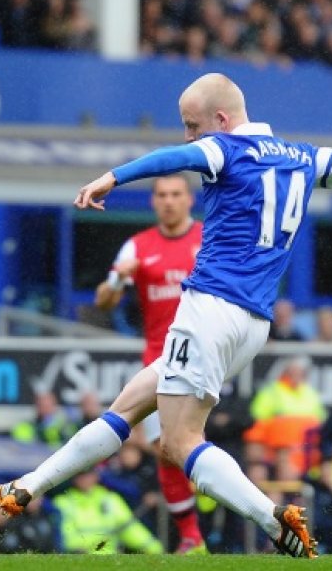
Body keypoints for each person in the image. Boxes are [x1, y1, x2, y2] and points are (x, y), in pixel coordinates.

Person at [0, 72, 332, 559]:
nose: (189, 136)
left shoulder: (227, 149)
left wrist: (112, 176)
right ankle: (25, 487)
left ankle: (273, 519)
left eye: (193, 125)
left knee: (176, 442)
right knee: (128, 407)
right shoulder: (304, 156)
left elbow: (175, 159)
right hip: (253, 324)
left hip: (209, 307)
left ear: (221, 120)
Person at [92, 172, 208, 554]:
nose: (169, 201)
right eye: (161, 195)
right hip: (159, 360)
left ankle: (211, 523)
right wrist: (114, 284)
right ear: (154, 202)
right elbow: (104, 302)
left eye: (176, 194)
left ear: (189, 200)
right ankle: (193, 537)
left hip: (206, 357)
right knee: (167, 449)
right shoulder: (137, 248)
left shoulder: (209, 239)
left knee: (189, 445)